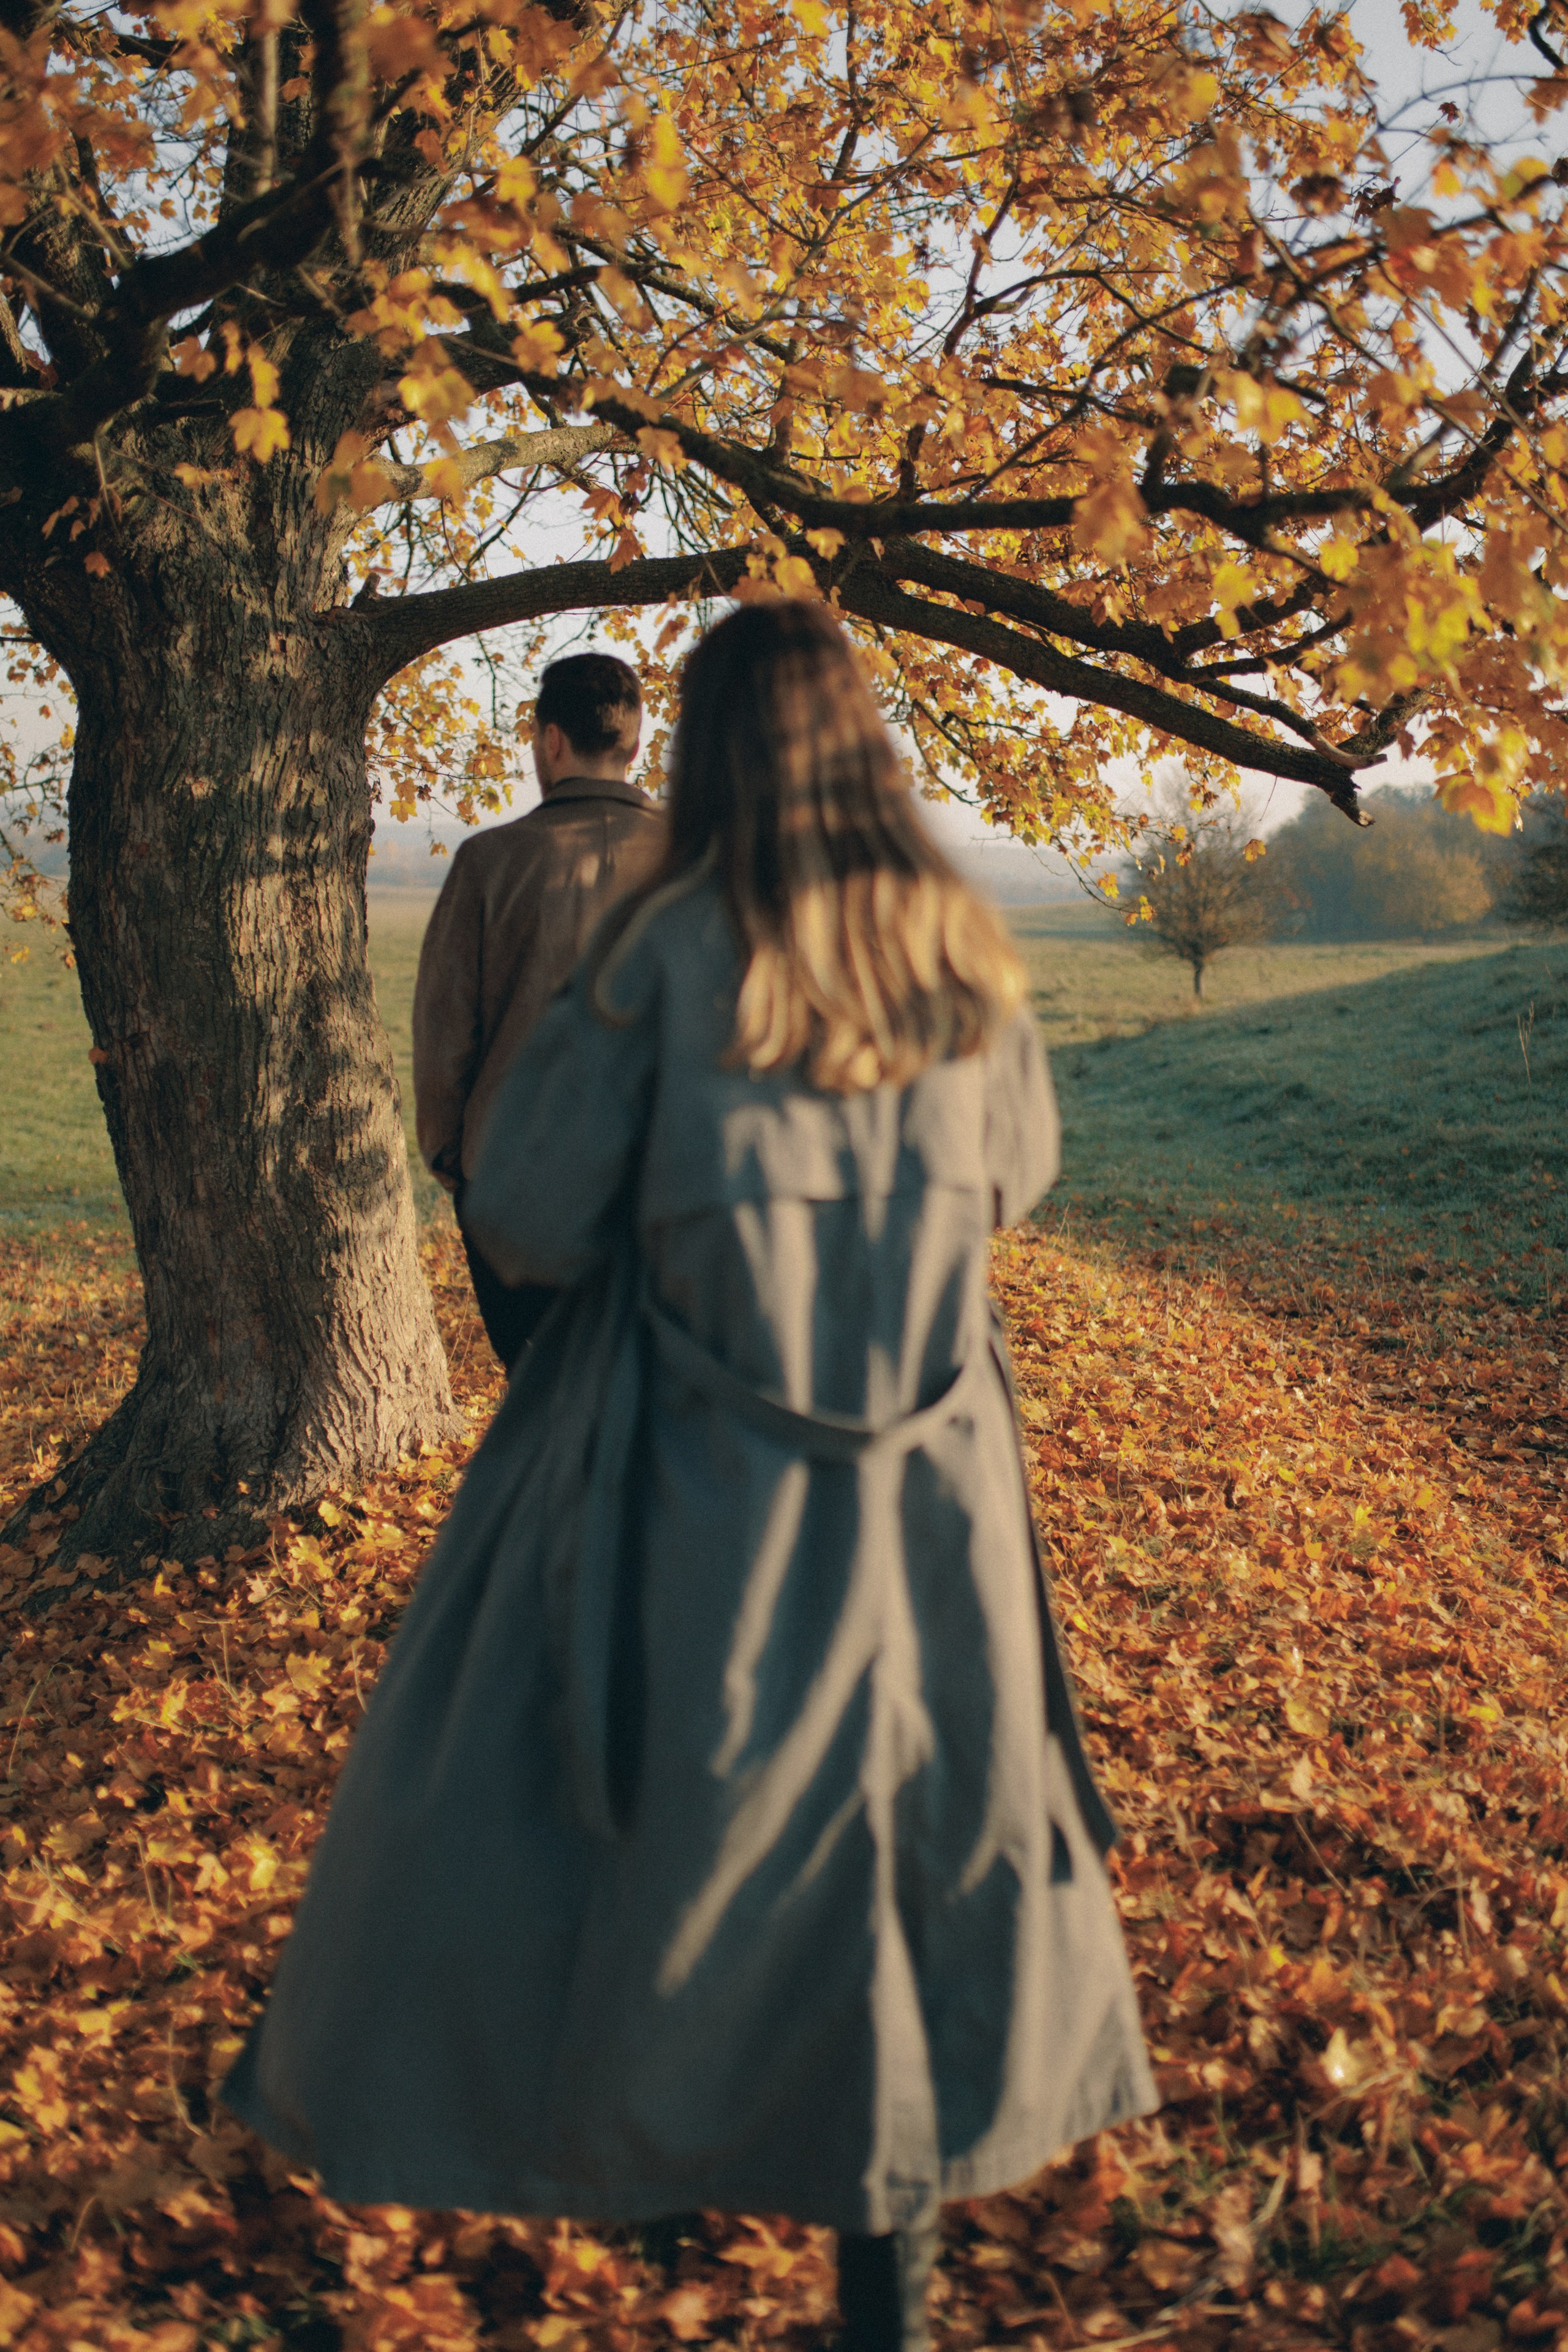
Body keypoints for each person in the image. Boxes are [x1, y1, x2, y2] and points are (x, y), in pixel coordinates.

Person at [225, 603, 1155, 2351]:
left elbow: (528, 1210)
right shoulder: (959, 957)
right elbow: (1016, 1177)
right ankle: (885, 2240)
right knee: (911, 1813)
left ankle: (639, 2162)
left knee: (636, 1793)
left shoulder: (658, 948)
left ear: (711, 749)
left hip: (687, 1453)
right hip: (927, 1483)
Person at [412, 649, 663, 1368]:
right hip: (666, 1182)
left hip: (516, 1181)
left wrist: (453, 1159)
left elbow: (444, 1034)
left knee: (543, 1394)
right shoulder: (700, 858)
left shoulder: (489, 862)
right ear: (635, 744)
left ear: (550, 741)